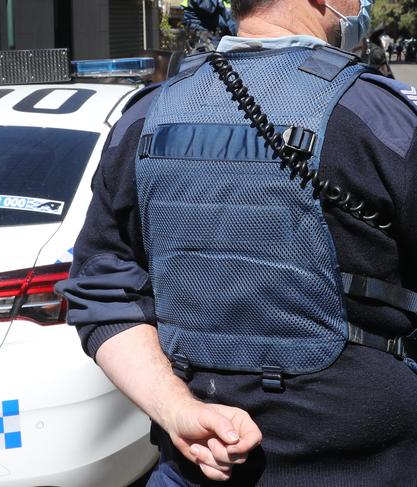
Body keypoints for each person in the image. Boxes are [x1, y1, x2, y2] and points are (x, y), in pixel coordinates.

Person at [57, 0, 417, 485]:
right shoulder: (384, 118)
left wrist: (177, 409)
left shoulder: (144, 117)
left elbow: (103, 294)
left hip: (194, 467)